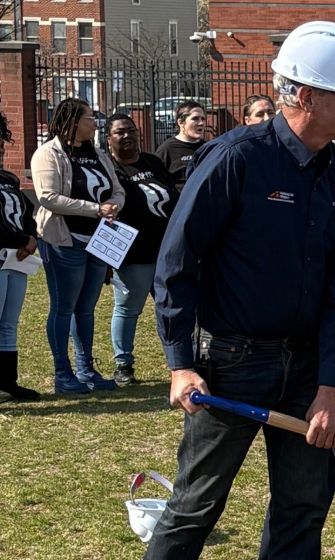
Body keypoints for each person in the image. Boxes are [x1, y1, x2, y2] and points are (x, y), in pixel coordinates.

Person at [146, 21, 335, 560]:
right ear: (306, 95)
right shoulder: (235, 158)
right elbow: (176, 263)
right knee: (196, 506)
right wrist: (180, 362)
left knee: (303, 509)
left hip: (309, 370)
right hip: (230, 361)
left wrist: (331, 385)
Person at [31, 97, 125, 395]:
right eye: (89, 117)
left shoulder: (98, 154)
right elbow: (48, 197)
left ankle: (86, 369)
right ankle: (63, 374)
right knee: (63, 307)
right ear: (72, 121)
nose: (95, 121)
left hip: (98, 241)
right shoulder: (48, 154)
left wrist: (113, 205)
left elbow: (119, 190)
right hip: (63, 240)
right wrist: (95, 209)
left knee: (86, 309)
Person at [105, 114, 179, 386]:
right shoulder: (109, 168)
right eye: (119, 132)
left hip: (165, 252)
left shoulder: (152, 161)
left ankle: (179, 364)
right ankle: (123, 365)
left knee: (171, 308)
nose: (127, 136)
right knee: (127, 309)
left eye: (131, 131)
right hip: (132, 254)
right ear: (108, 138)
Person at [0, 110, 41, 403]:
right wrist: (21, 239)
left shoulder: (7, 178)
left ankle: (8, 383)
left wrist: (31, 235)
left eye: (0, 146)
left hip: (17, 259)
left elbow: (26, 211)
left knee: (9, 323)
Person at [154, 100, 207, 191]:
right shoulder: (167, 149)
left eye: (203, 119)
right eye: (195, 119)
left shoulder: (208, 147)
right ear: (181, 122)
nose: (201, 123)